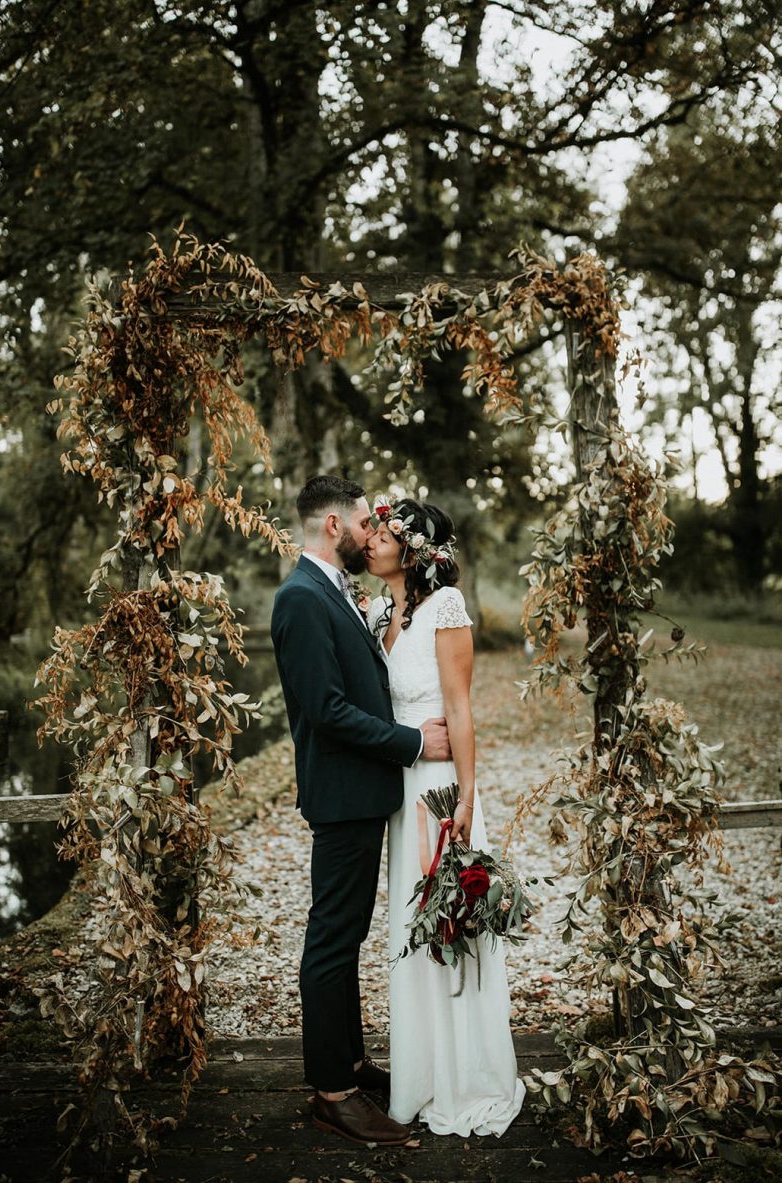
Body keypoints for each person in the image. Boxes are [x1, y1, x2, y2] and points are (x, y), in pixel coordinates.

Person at [270, 474, 453, 1147]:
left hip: (358, 793)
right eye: (360, 521)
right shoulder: (300, 598)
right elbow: (325, 710)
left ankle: (349, 1061)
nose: (368, 531)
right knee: (330, 939)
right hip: (342, 794)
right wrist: (409, 742)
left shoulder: (334, 593)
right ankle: (334, 1094)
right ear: (331, 527)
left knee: (345, 933)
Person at [365, 495, 526, 1136]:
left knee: (448, 923)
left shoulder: (446, 608)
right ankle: (423, 1071)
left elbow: (459, 710)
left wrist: (465, 798)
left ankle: (467, 1075)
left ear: (416, 549)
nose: (372, 538)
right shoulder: (381, 611)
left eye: (384, 530)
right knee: (411, 919)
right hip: (401, 789)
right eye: (374, 528)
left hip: (438, 789)